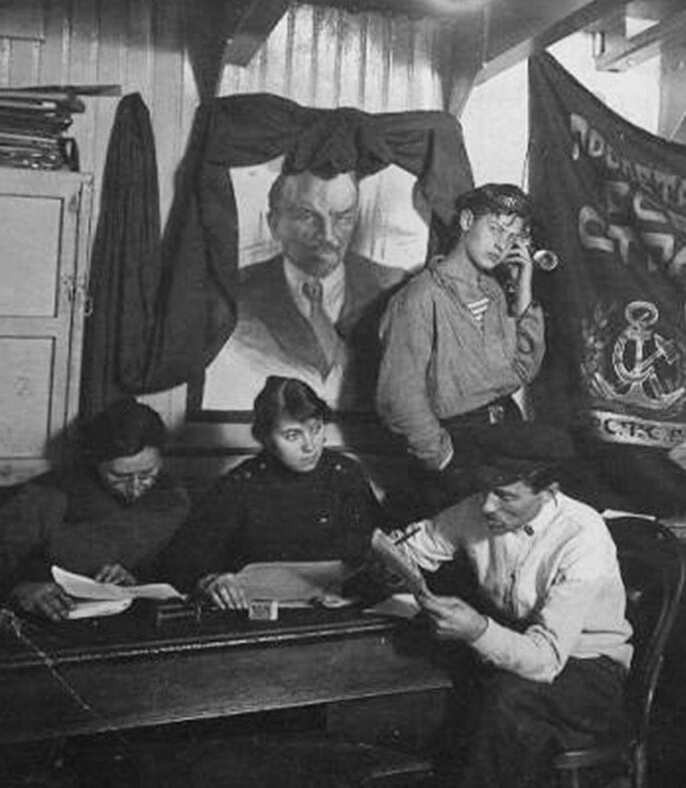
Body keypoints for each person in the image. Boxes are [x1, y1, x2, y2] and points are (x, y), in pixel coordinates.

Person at [376, 422, 631, 788]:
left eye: (507, 496)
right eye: (485, 490)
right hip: (516, 654)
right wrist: (388, 566)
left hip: (588, 673)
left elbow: (546, 659)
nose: (488, 507)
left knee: (505, 704)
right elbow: (414, 544)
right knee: (431, 680)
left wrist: (477, 629)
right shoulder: (480, 508)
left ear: (549, 492)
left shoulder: (583, 538)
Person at [376, 182, 545, 512]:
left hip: (503, 433)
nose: (501, 243)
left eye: (512, 237)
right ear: (467, 221)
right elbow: (399, 397)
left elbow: (522, 370)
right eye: (495, 228)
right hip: (456, 445)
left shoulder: (494, 294)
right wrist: (442, 459)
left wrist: (523, 284)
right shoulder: (420, 298)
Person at [162, 376, 382, 609]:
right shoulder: (240, 485)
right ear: (265, 437)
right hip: (260, 617)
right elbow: (181, 562)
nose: (310, 445)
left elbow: (375, 550)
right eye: (292, 435)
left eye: (316, 429)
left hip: (339, 611)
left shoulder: (345, 473)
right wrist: (211, 580)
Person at [205, 170, 406, 411]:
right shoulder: (233, 293)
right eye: (308, 216)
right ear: (274, 224)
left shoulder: (393, 288)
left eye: (343, 218)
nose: (329, 236)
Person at [0, 398, 191, 620]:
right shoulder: (46, 496)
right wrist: (21, 590)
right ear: (95, 462)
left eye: (148, 474)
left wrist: (133, 579)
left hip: (126, 619)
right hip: (45, 619)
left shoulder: (173, 498)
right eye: (119, 477)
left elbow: (175, 570)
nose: (135, 487)